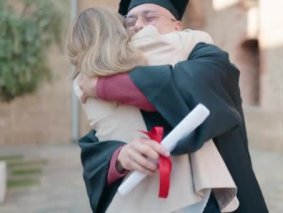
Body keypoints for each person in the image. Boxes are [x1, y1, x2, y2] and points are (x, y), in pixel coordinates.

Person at [78, 0, 268, 212]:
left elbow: (188, 84)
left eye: (150, 18)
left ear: (176, 25)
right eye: (130, 22)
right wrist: (120, 157)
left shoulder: (206, 55)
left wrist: (102, 86)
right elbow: (97, 140)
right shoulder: (116, 65)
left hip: (208, 201)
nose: (139, 25)